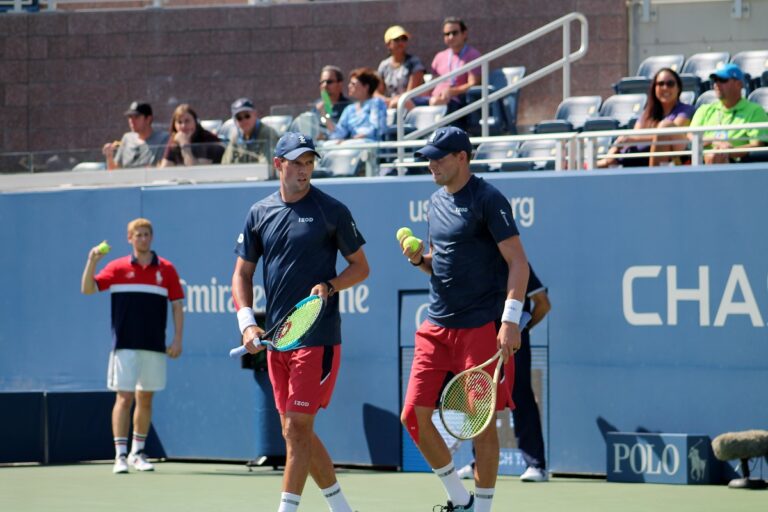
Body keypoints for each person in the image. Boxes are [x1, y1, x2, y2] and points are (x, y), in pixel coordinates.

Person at [231, 132, 369, 512]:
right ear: (279, 165)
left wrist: (330, 285)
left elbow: (361, 268)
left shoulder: (332, 210)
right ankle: (343, 509)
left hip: (318, 336)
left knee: (296, 429)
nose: (304, 169)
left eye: (309, 162)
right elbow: (241, 275)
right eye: (297, 162)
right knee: (295, 432)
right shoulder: (259, 213)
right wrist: (247, 323)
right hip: (279, 340)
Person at [400, 126, 529, 512]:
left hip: (480, 327)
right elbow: (442, 265)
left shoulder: (489, 199)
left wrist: (509, 321)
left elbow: (519, 263)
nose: (431, 164)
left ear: (462, 157)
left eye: (439, 157)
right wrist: (421, 261)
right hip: (436, 325)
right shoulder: (434, 202)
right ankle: (460, 499)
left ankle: (484, 509)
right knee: (413, 416)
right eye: (428, 157)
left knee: (481, 424)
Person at [80, 218, 184, 474]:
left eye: (147, 234)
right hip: (124, 346)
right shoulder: (116, 268)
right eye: (138, 235)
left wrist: (177, 338)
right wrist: (92, 260)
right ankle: (120, 455)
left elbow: (177, 306)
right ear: (130, 238)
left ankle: (138, 452)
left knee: (145, 398)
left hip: (154, 346)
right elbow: (88, 289)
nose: (143, 238)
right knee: (124, 398)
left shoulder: (167, 270)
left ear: (152, 237)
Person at [457, 263, 551, 484]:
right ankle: (479, 461)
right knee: (478, 397)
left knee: (520, 394)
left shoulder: (516, 264)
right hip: (481, 337)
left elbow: (543, 304)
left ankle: (536, 465)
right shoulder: (476, 261)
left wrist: (520, 331)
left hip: (512, 342)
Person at [598, 68, 695, 168]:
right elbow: (634, 135)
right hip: (635, 159)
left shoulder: (686, 110)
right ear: (654, 88)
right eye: (660, 84)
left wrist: (633, 139)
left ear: (678, 88)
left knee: (665, 126)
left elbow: (671, 136)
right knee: (602, 163)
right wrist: (618, 145)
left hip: (668, 163)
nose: (665, 88)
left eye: (670, 84)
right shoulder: (647, 113)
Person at [688, 63, 768, 164]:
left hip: (738, 166)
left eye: (722, 80)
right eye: (715, 80)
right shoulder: (704, 109)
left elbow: (757, 146)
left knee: (715, 156)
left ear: (739, 84)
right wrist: (714, 140)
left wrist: (729, 152)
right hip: (702, 162)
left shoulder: (755, 111)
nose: (716, 84)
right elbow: (691, 135)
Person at [429, 17, 482, 109]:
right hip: (434, 98)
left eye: (454, 33)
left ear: (464, 34)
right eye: (447, 34)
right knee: (402, 102)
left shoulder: (473, 55)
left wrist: (452, 91)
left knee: (435, 103)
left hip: (457, 102)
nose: (450, 37)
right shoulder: (439, 56)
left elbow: (473, 84)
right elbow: (432, 84)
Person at [102, 101, 169, 170]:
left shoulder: (163, 139)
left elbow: (165, 169)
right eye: (130, 117)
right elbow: (114, 171)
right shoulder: (127, 138)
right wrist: (109, 156)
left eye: (136, 117)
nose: (132, 121)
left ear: (148, 119)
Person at [328, 68, 388, 142]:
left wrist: (351, 140)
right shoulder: (349, 109)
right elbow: (338, 133)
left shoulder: (377, 103)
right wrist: (325, 117)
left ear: (366, 87)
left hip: (370, 147)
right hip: (353, 146)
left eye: (353, 83)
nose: (349, 86)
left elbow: (376, 129)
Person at [376, 25, 426, 109]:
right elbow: (377, 92)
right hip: (391, 106)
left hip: (412, 106)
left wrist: (394, 101)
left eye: (404, 39)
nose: (400, 42)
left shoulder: (414, 62)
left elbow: (411, 93)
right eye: (396, 40)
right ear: (388, 44)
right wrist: (385, 100)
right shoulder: (384, 65)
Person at [159, 104, 224, 167]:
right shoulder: (175, 140)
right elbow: (164, 168)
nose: (183, 126)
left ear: (195, 122)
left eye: (187, 121)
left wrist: (185, 145)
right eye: (179, 122)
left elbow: (197, 172)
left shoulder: (208, 139)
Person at [222, 97, 279, 164]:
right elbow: (226, 164)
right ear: (235, 121)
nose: (244, 120)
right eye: (239, 118)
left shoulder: (268, 133)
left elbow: (268, 165)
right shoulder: (235, 137)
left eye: (247, 116)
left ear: (255, 114)